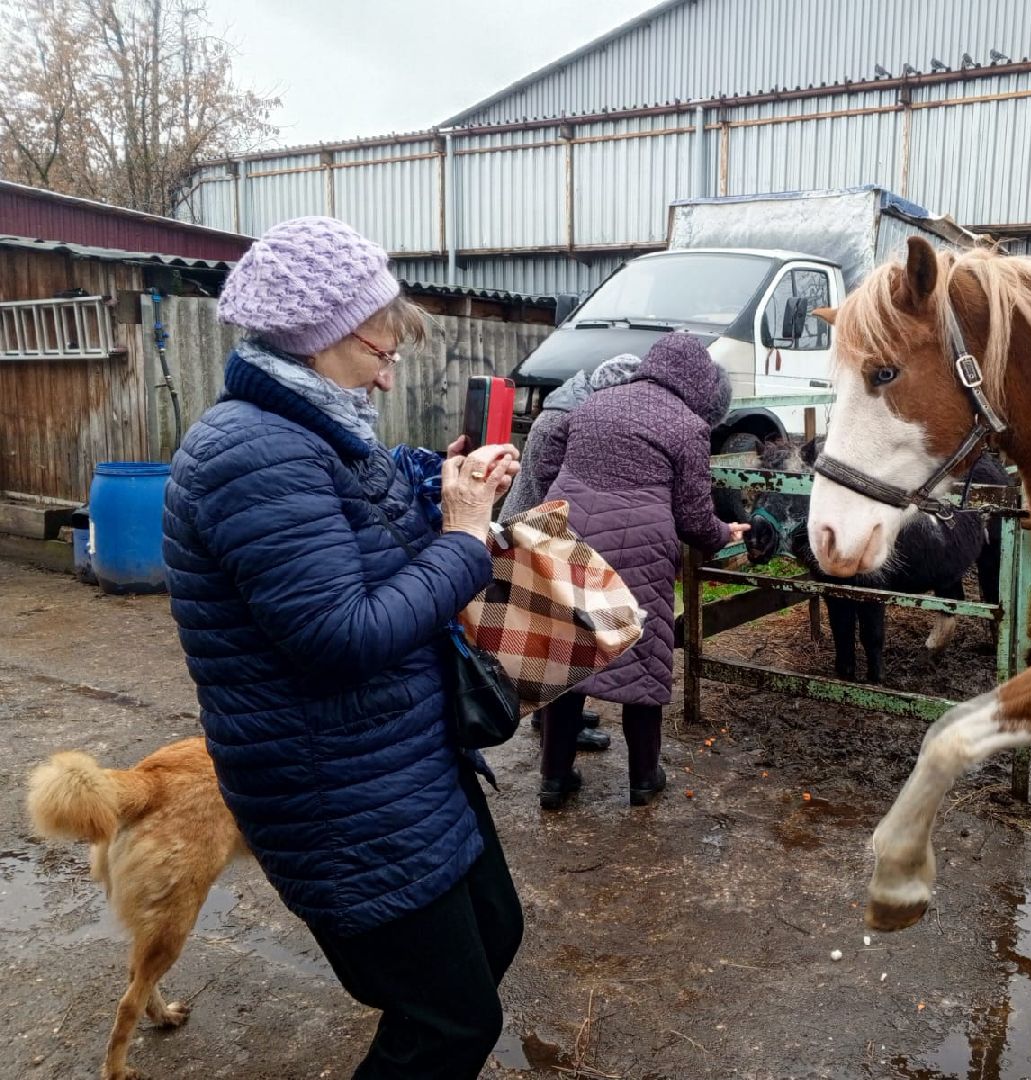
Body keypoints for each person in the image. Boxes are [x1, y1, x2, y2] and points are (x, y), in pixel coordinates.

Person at [162, 216, 522, 1079]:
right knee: (449, 1023)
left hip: (402, 764)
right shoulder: (248, 453)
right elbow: (338, 636)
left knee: (495, 936)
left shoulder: (319, 431)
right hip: (336, 790)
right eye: (379, 344)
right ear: (319, 338)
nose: (391, 364)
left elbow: (366, 504)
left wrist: (442, 482)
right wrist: (466, 544)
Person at [528, 333, 748, 810]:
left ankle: (553, 779)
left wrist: (561, 497)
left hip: (568, 533)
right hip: (640, 549)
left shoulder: (595, 403)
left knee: (569, 658)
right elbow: (692, 515)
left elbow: (546, 454)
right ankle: (644, 779)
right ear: (698, 383)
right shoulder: (688, 425)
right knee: (641, 667)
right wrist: (722, 534)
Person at [505, 353, 643, 753]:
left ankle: (554, 719)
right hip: (539, 533)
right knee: (561, 637)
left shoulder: (564, 408)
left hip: (535, 528)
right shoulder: (568, 421)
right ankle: (557, 729)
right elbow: (564, 489)